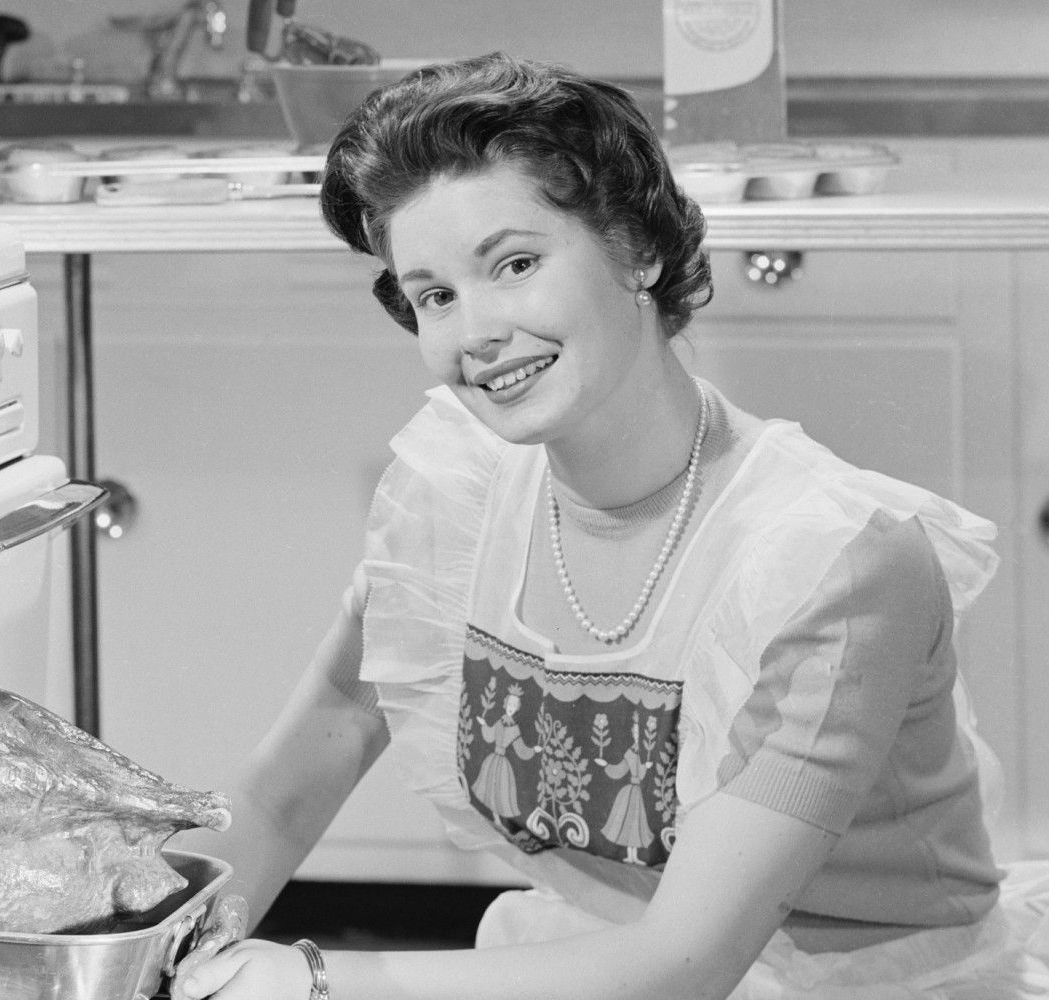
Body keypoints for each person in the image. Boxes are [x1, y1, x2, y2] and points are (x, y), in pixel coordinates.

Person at [168, 52, 1049, 1000]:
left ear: (639, 248)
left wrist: (311, 980)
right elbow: (318, 744)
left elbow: (684, 966)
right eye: (435, 295)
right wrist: (150, 947)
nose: (475, 335)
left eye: (514, 264)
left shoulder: (834, 561)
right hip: (592, 960)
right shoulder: (458, 498)